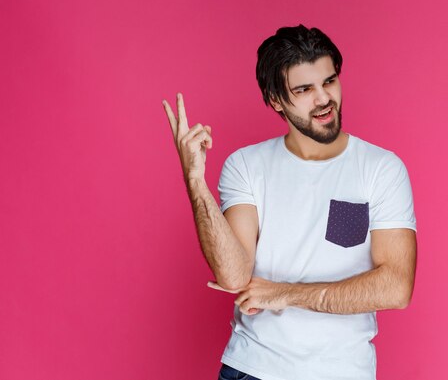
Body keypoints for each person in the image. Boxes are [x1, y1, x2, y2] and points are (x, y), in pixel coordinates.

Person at [162, 25, 417, 380]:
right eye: (304, 89)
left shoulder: (381, 169)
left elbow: (396, 287)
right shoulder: (246, 166)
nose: (324, 98)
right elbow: (234, 275)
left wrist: (285, 294)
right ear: (275, 100)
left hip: (343, 372)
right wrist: (195, 181)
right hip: (253, 369)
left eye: (329, 81)